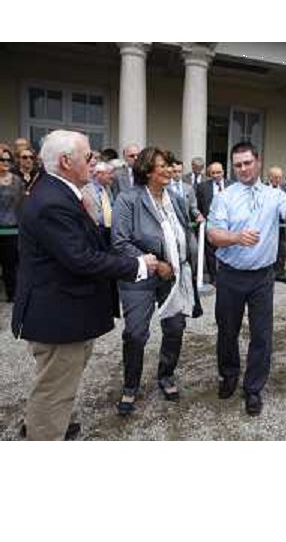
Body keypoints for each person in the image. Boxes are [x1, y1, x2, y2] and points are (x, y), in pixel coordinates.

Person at [11, 130, 157, 440]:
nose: (95, 162)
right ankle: (44, 436)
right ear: (66, 161)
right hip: (58, 316)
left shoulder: (57, 191)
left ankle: (55, 424)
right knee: (54, 390)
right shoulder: (52, 200)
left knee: (57, 384)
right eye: (88, 156)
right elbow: (81, 259)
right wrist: (137, 265)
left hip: (63, 311)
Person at [112, 147, 199, 416]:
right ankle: (130, 386)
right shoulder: (128, 199)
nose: (169, 170)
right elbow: (120, 242)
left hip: (173, 275)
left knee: (175, 327)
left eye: (169, 165)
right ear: (147, 170)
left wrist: (189, 260)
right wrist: (155, 263)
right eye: (162, 165)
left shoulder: (176, 198)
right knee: (136, 333)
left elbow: (184, 232)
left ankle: (166, 375)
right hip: (140, 276)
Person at [207, 142, 286, 416]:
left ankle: (253, 389)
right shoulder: (224, 197)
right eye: (238, 164)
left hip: (262, 278)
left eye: (247, 163)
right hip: (230, 275)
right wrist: (236, 237)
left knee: (262, 335)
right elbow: (213, 235)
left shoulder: (275, 195)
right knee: (227, 331)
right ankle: (229, 375)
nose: (243, 169)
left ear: (258, 162)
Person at [197, 161, 232, 284]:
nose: (216, 175)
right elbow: (198, 206)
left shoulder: (232, 185)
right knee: (211, 252)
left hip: (229, 225)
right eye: (213, 173)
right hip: (211, 225)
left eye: (219, 172)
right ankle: (214, 278)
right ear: (209, 174)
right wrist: (199, 215)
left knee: (228, 250)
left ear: (223, 172)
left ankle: (227, 276)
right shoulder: (202, 187)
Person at [0, 147, 25, 302]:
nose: (6, 162)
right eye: (2, 160)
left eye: (8, 159)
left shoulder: (17, 181)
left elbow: (22, 204)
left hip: (12, 229)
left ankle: (12, 295)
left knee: (10, 266)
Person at [268, 165, 286, 284]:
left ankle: (280, 273)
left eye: (280, 177)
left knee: (282, 249)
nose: (278, 179)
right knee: (268, 248)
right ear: (270, 177)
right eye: (276, 177)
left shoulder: (285, 190)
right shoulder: (263, 189)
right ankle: (269, 273)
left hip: (282, 225)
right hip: (268, 225)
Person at [82, 161, 115, 245]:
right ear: (99, 174)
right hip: (94, 230)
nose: (112, 176)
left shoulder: (107, 188)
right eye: (109, 173)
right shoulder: (85, 188)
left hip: (108, 229)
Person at [170, 159, 203, 226]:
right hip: (170, 223)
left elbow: (193, 207)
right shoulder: (164, 187)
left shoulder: (188, 188)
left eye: (179, 172)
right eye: (174, 171)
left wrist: (198, 215)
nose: (177, 174)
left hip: (185, 223)